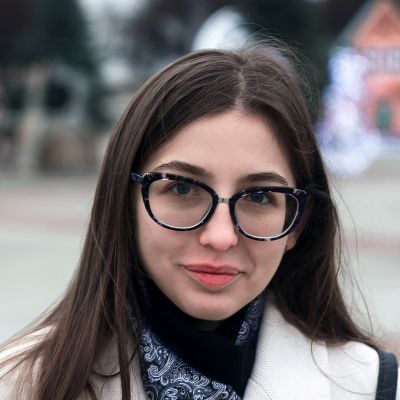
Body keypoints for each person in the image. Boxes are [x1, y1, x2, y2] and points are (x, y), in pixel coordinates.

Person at [0, 43, 398, 400]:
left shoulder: (369, 387)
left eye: (259, 196)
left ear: (297, 222)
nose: (220, 236)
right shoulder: (21, 385)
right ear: (124, 203)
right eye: (182, 188)